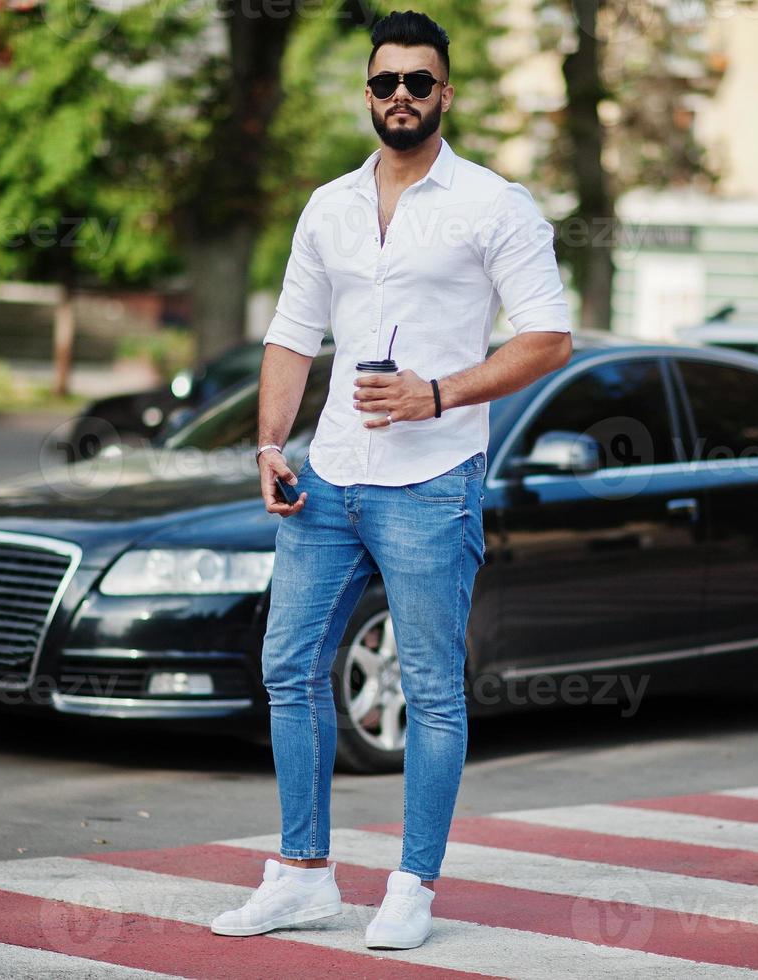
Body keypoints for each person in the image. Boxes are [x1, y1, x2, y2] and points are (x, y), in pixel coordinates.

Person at [211, 10, 572, 951]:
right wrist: (268, 445)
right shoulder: (328, 205)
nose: (401, 96)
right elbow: (292, 334)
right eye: (385, 82)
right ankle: (301, 875)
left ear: (445, 94)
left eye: (419, 81)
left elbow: (547, 338)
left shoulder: (494, 204)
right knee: (287, 668)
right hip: (326, 477)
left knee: (431, 690)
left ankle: (412, 884)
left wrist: (439, 394)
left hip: (431, 479)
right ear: (366, 94)